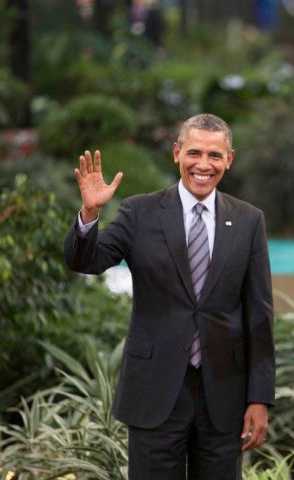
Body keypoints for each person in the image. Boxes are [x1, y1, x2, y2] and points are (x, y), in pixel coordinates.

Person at [64, 113, 275, 479]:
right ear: (177, 153)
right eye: (194, 153)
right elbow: (87, 261)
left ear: (230, 159)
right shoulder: (138, 212)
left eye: (215, 155)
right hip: (154, 391)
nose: (203, 165)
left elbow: (259, 314)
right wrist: (90, 213)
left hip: (223, 396)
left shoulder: (248, 220)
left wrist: (259, 398)